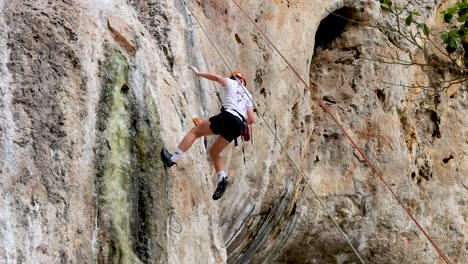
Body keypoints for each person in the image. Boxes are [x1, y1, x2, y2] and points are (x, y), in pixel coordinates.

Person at [161, 66, 256, 200]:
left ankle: (172, 159)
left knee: (195, 132)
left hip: (228, 116)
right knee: (214, 152)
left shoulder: (232, 82)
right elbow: (252, 120)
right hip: (239, 126)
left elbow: (217, 78)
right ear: (244, 81)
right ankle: (222, 178)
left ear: (235, 78)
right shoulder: (248, 95)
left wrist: (199, 73)